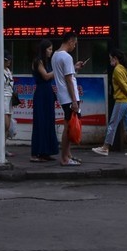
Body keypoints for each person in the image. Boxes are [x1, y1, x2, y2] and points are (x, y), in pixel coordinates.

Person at [94, 49, 127, 156]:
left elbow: (123, 86)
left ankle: (105, 147)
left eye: (110, 58)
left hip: (121, 101)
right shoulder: (125, 69)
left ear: (115, 59)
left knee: (112, 124)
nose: (109, 61)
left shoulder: (117, 69)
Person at [52, 31, 81, 165]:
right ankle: (64, 158)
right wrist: (74, 100)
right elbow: (69, 80)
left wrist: (75, 69)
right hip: (69, 97)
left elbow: (66, 75)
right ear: (70, 41)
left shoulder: (55, 55)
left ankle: (68, 155)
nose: (74, 46)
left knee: (68, 125)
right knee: (69, 127)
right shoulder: (67, 57)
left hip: (63, 96)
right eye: (74, 43)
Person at [29, 39, 59, 163]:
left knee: (49, 121)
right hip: (41, 93)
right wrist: (58, 70)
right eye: (49, 49)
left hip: (48, 93)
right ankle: (37, 152)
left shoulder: (48, 62)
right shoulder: (38, 61)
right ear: (44, 49)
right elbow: (46, 76)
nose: (51, 52)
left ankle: (46, 151)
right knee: (40, 122)